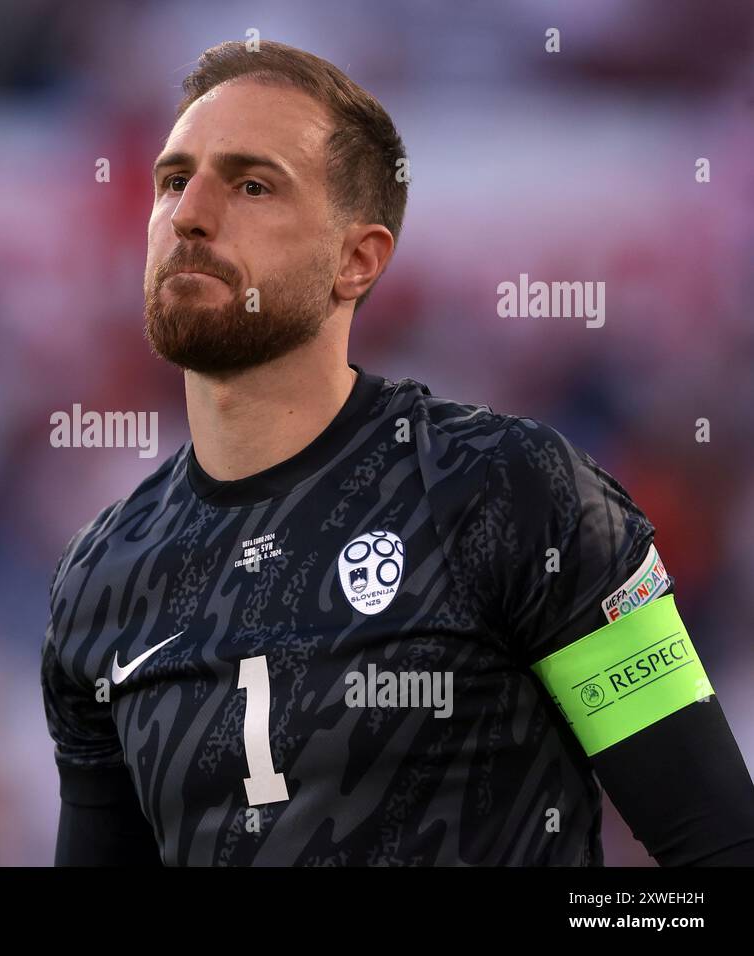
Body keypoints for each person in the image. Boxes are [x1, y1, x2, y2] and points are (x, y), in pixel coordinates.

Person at [41, 40, 754, 866]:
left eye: (251, 184)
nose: (190, 213)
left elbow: (719, 848)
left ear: (358, 259)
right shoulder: (101, 576)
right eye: (173, 180)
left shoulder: (515, 494)